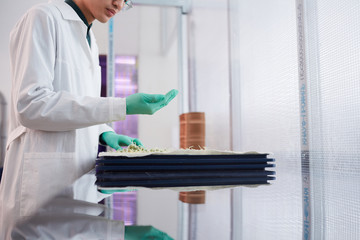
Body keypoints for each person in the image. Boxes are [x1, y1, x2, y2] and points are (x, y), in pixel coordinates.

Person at [0, 0, 178, 238]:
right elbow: (31, 105)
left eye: (126, 0)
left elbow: (76, 104)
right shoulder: (43, 17)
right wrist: (122, 105)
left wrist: (104, 132)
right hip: (37, 198)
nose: (119, 3)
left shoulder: (90, 40)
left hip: (75, 198)